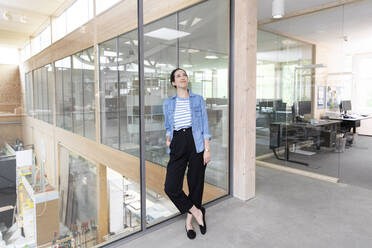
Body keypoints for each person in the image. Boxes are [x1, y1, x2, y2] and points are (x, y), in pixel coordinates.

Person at [163, 68, 211, 239]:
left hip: (195, 141)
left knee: (195, 183)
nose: (182, 77)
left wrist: (207, 149)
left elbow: (205, 124)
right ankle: (197, 212)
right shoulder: (168, 103)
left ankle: (189, 222)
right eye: (178, 76)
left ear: (187, 80)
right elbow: (168, 126)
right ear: (173, 83)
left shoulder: (198, 99)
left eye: (184, 75)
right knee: (171, 187)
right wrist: (169, 139)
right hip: (177, 142)